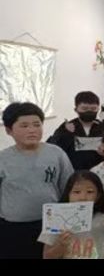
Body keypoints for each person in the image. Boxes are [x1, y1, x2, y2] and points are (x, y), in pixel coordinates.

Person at [0, 102, 74, 258]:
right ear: (8, 130)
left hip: (52, 225)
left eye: (36, 124)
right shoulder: (3, 159)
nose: (32, 130)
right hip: (13, 228)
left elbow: (69, 186)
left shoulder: (56, 153)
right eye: (24, 126)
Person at [39, 171, 104, 259]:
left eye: (90, 192)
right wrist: (61, 245)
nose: (83, 197)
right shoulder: (55, 219)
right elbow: (47, 256)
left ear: (98, 196)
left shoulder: (103, 219)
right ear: (68, 194)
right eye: (76, 192)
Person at [47, 91, 104, 170]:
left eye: (93, 108)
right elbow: (54, 148)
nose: (89, 111)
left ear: (98, 109)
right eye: (84, 108)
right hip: (73, 172)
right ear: (76, 109)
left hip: (99, 172)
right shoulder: (67, 127)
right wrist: (65, 133)